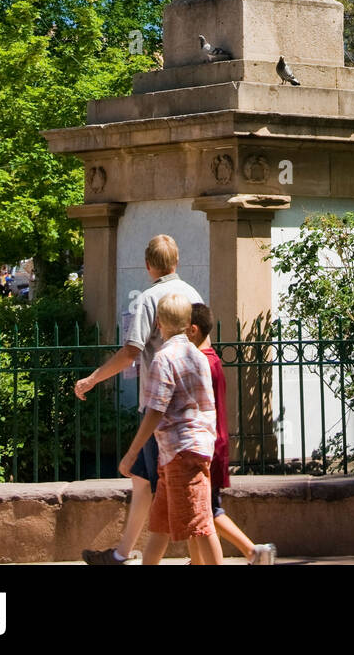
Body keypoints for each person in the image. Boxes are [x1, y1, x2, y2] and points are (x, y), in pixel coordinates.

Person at [76, 234, 202, 565]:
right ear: (177, 261)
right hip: (191, 409)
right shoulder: (193, 294)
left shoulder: (148, 299)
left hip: (158, 408)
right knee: (152, 482)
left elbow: (131, 351)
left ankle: (207, 555)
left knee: (164, 486)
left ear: (148, 265)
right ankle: (123, 553)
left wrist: (92, 379)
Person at [118, 293, 223, 566]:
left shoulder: (163, 359)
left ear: (158, 323)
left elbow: (155, 410)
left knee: (201, 523)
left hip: (179, 451)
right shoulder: (198, 356)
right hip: (190, 449)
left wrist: (132, 453)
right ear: (189, 322)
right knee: (161, 524)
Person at [186, 302, 277, 565]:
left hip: (207, 446)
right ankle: (197, 561)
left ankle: (254, 551)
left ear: (192, 330)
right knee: (196, 507)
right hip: (213, 443)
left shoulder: (202, 363)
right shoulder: (211, 360)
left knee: (208, 509)